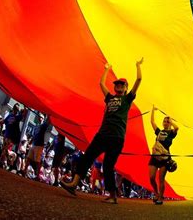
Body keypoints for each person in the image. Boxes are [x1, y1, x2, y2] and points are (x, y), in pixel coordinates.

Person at [60, 58, 143, 204]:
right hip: (102, 134)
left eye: (121, 84)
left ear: (125, 88)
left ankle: (112, 195)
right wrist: (106, 69)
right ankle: (74, 184)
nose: (118, 86)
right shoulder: (110, 98)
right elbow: (101, 84)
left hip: (117, 137)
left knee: (108, 166)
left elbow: (139, 79)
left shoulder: (127, 99)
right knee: (87, 157)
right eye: (117, 84)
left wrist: (137, 66)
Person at [148, 105, 179, 205]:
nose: (165, 123)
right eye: (164, 121)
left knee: (161, 179)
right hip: (155, 157)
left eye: (167, 121)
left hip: (165, 158)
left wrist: (171, 121)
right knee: (152, 177)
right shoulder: (159, 132)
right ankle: (156, 194)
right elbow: (152, 122)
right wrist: (153, 110)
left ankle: (161, 198)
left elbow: (177, 127)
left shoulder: (171, 133)